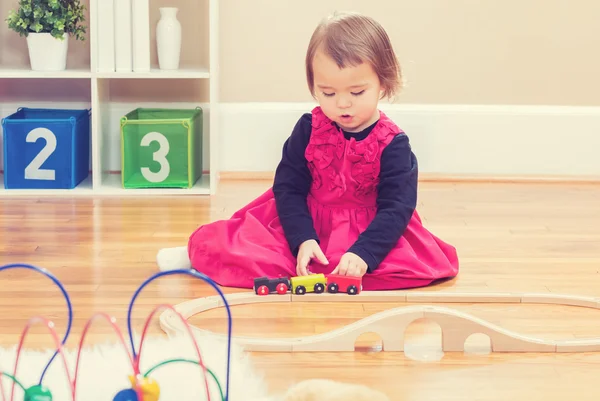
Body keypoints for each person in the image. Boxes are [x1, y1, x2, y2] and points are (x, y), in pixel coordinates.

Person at [156, 11, 459, 290]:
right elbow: (287, 188)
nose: (342, 103)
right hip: (305, 222)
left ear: (383, 82)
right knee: (255, 251)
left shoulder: (394, 145)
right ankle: (193, 253)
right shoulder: (309, 129)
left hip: (369, 231)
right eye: (328, 92)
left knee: (396, 270)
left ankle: (355, 262)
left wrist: (364, 253)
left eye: (357, 92)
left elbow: (397, 209)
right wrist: (303, 238)